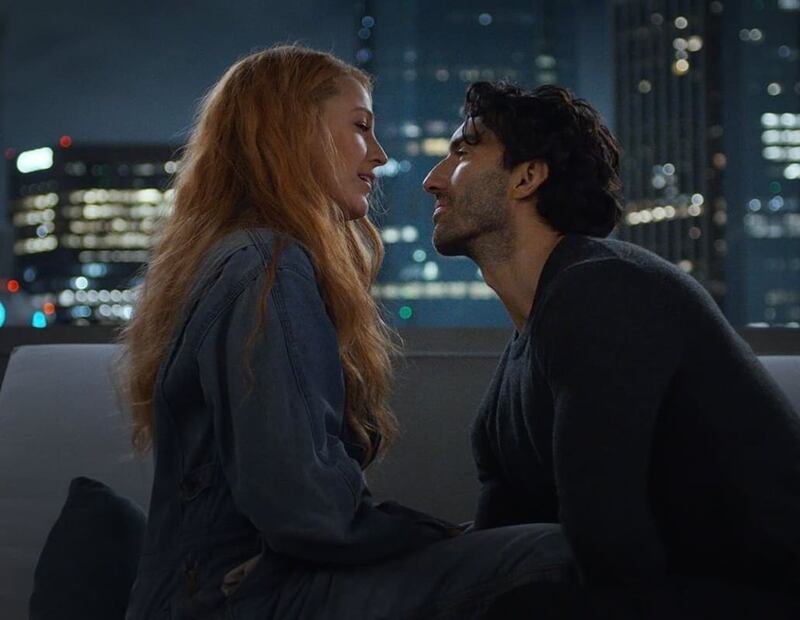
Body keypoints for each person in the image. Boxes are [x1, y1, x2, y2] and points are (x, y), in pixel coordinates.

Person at [120, 47, 576, 620]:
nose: (379, 155)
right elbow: (303, 507)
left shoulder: (239, 257)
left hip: (233, 588)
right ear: (293, 132)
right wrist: (433, 537)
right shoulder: (267, 264)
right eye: (361, 127)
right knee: (556, 556)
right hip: (243, 596)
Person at [422, 81, 800, 614]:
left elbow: (610, 545)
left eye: (463, 152)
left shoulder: (603, 292)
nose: (432, 180)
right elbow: (497, 546)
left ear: (527, 177)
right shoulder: (525, 352)